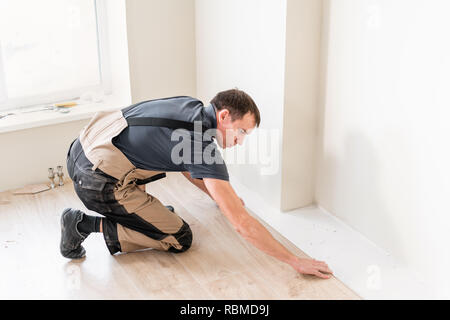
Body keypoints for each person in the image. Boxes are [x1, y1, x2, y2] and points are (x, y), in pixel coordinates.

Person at [60, 88, 333, 279]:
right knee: (179, 238)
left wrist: (220, 197)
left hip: (84, 149)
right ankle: (82, 224)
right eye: (241, 132)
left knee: (158, 167)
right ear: (224, 116)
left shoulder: (190, 106)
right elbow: (241, 223)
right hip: (96, 181)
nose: (240, 141)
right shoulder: (201, 145)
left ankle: (143, 214)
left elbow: (185, 165)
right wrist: (294, 261)